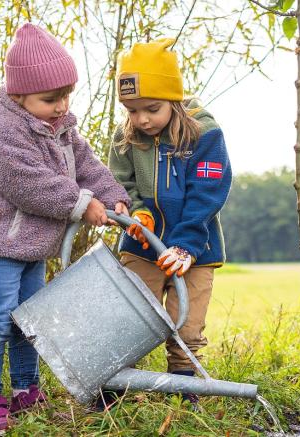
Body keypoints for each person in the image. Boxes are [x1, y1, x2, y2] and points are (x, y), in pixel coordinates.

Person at [0, 23, 130, 435]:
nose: (60, 105)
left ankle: (25, 391)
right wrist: (81, 204)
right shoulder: (0, 130)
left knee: (30, 321)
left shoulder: (61, 126)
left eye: (65, 96)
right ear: (18, 94)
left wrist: (111, 196)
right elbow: (28, 183)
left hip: (32, 246)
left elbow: (86, 165)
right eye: (49, 99)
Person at [108, 38, 233, 406]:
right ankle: (112, 386)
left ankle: (184, 388)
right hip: (143, 245)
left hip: (195, 248)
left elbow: (207, 194)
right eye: (131, 110)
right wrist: (135, 212)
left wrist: (186, 245)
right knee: (132, 316)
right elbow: (119, 182)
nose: (141, 119)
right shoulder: (127, 135)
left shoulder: (205, 134)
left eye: (152, 108)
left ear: (174, 98)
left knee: (187, 323)